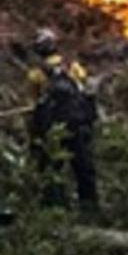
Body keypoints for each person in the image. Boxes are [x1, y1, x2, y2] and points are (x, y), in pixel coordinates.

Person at [27, 28, 99, 210]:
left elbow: (33, 104)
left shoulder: (36, 74)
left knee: (51, 168)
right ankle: (89, 207)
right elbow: (85, 87)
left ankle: (54, 207)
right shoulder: (72, 67)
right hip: (78, 126)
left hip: (53, 130)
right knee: (83, 167)